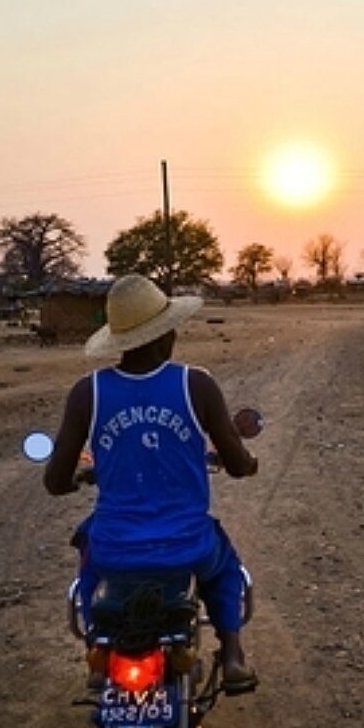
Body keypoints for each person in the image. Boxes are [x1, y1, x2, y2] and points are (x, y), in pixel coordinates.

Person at [43, 274, 259, 691]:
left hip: (115, 547)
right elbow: (234, 461)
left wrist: (73, 481)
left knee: (89, 560)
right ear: (167, 334)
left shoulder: (87, 393)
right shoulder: (197, 384)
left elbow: (54, 481)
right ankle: (232, 652)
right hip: (188, 545)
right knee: (225, 567)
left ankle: (98, 652)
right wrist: (249, 465)